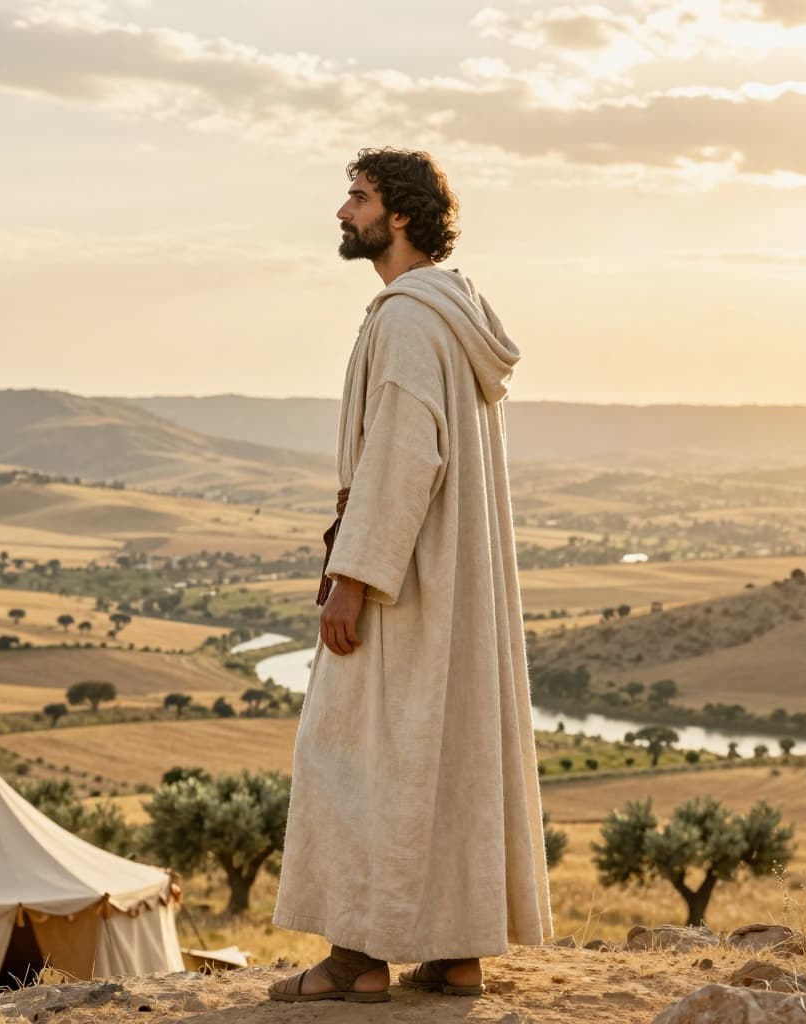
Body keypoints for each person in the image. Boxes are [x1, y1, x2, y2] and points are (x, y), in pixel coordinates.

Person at [269, 147, 552, 1004]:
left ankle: (355, 957)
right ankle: (456, 951)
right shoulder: (448, 316)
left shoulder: (405, 320)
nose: (342, 212)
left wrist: (352, 577)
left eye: (356, 198)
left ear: (399, 217)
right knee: (443, 756)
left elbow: (400, 460)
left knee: (359, 752)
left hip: (406, 582)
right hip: (446, 584)